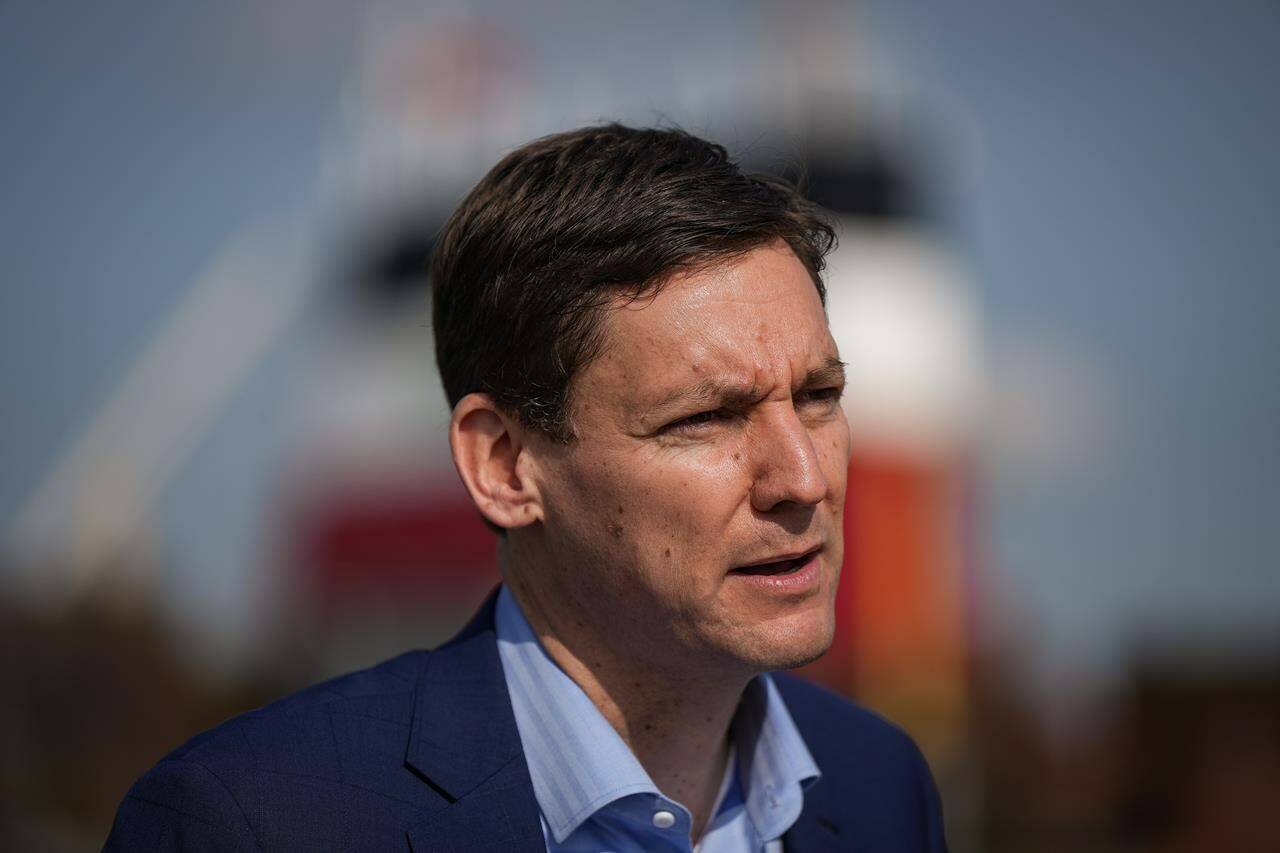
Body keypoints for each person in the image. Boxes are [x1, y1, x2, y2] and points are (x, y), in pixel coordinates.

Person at [105, 124, 948, 852]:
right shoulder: (253, 822)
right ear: (504, 466)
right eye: (706, 418)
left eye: (819, 397)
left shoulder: (882, 787)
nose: (803, 478)